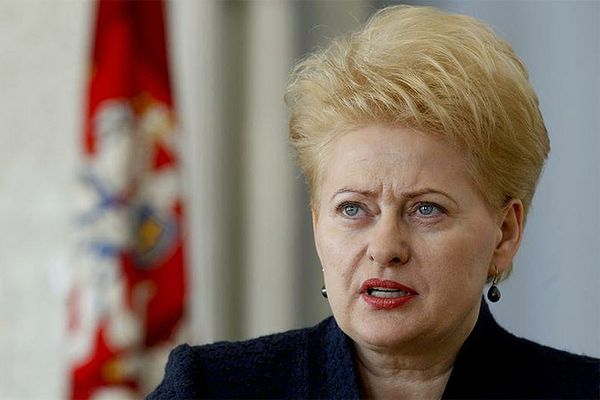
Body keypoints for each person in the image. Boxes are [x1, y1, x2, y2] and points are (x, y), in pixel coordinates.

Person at [148, 5, 599, 399]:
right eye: (352, 208)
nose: (385, 248)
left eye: (426, 209)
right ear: (316, 224)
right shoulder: (210, 387)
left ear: (505, 234)